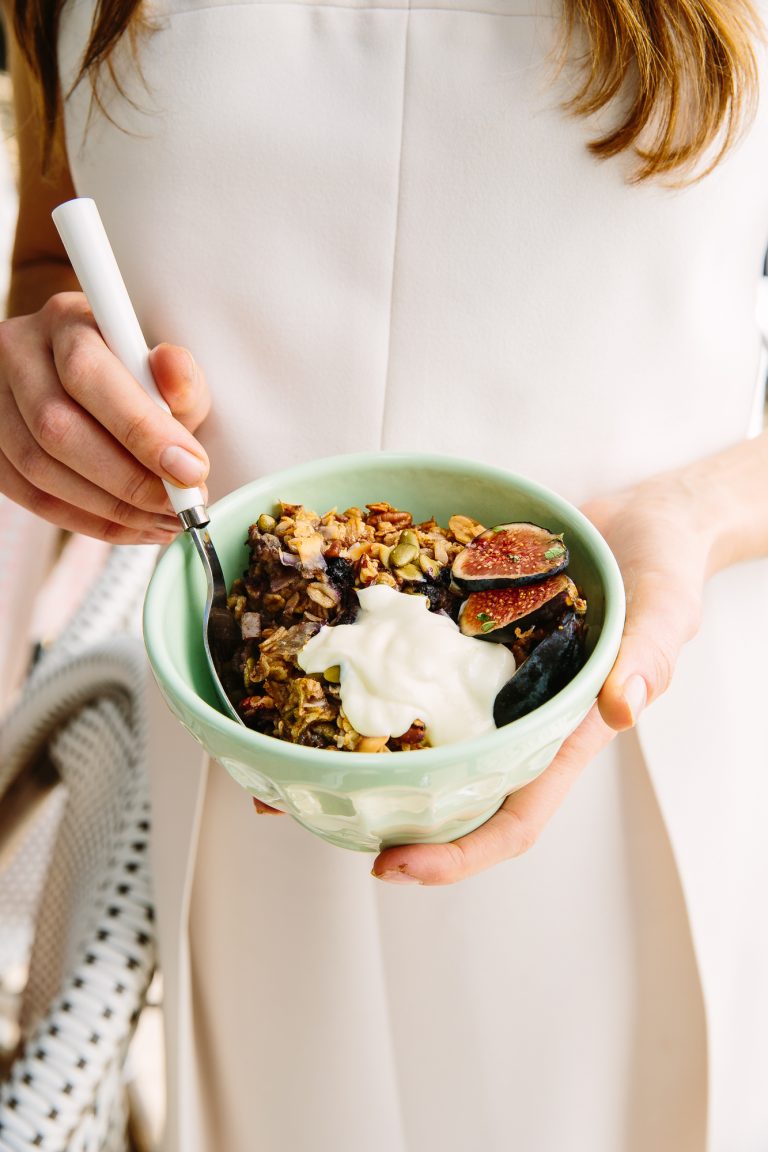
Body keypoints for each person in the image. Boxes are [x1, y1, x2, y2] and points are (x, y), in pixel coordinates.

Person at [2, 0, 768, 1148]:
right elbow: (60, 239)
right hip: (253, 774)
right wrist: (41, 379)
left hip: (644, 722)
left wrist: (703, 509)